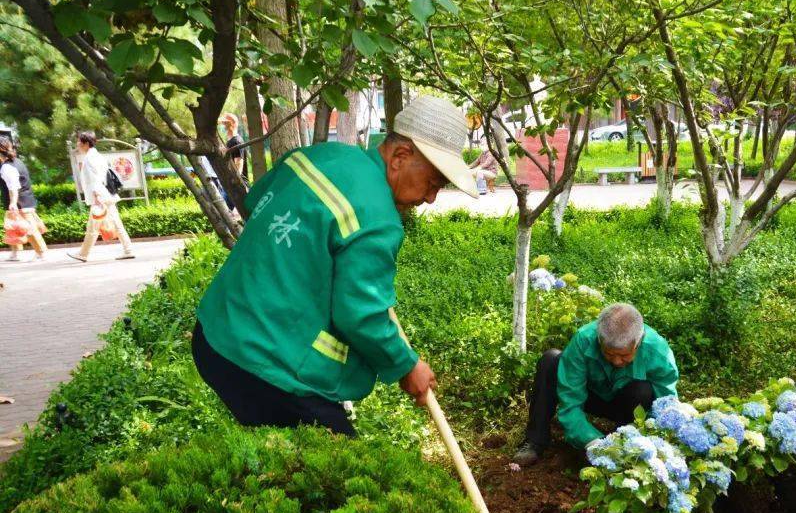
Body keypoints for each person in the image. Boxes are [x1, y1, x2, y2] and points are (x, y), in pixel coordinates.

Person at [192, 95, 479, 435]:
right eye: (432, 184)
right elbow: (361, 313)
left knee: (284, 463)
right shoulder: (378, 219)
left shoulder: (317, 157)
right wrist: (406, 366)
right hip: (261, 361)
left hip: (213, 333)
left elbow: (256, 202)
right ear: (401, 156)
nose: (430, 198)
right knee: (334, 471)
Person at [513, 302, 679, 467]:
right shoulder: (584, 339)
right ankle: (535, 441)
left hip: (627, 405)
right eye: (608, 353)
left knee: (643, 390)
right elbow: (570, 401)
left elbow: (666, 406)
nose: (616, 361)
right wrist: (591, 441)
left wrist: (656, 444)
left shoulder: (658, 353)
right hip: (590, 397)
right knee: (550, 360)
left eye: (624, 355)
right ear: (599, 340)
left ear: (638, 343)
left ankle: (624, 441)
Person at [68, 131, 135, 262]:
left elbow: (96, 178)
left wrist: (97, 195)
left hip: (100, 196)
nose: (77, 144)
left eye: (79, 142)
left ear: (86, 144)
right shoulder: (95, 156)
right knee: (115, 224)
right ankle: (128, 250)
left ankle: (83, 254)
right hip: (105, 196)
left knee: (93, 227)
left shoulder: (90, 158)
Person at [1, 136, 47, 262]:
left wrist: (13, 203)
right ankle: (15, 253)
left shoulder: (7, 167)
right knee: (11, 228)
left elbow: (13, 187)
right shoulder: (17, 161)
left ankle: (41, 253)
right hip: (24, 200)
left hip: (20, 202)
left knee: (30, 229)